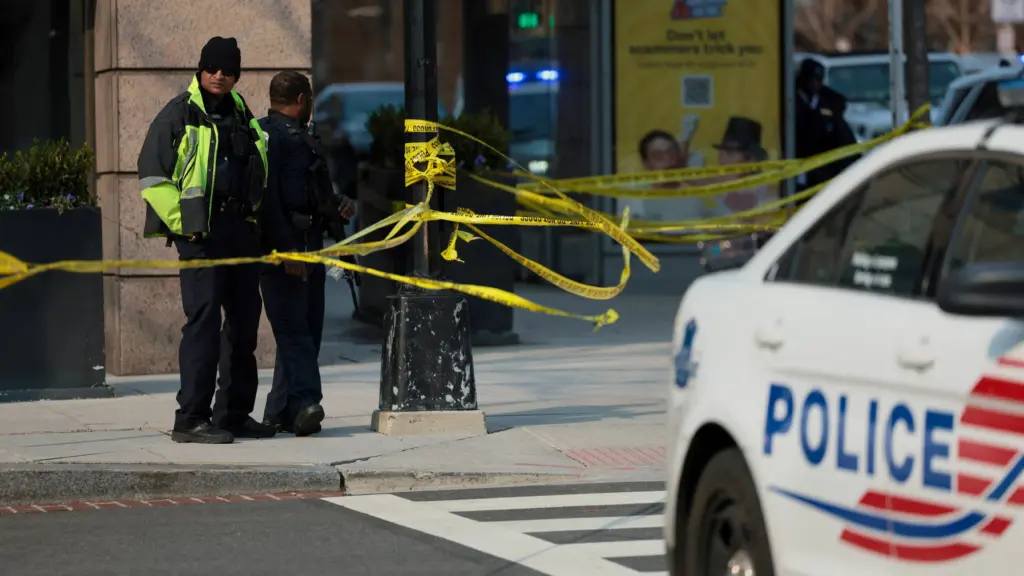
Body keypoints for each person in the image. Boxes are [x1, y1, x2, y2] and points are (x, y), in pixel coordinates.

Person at [138, 37, 277, 444]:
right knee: (203, 324)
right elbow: (151, 177)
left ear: (236, 75)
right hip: (200, 235)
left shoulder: (240, 112)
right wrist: (188, 223)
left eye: (228, 70)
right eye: (213, 68)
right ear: (201, 70)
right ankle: (191, 418)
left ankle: (233, 413)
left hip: (240, 232)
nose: (220, 75)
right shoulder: (178, 114)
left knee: (244, 325)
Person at [257, 71, 356, 436]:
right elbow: (269, 201)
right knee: (295, 332)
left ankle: (279, 411)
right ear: (302, 99)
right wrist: (287, 249)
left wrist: (337, 204)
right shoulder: (271, 139)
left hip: (309, 246)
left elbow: (311, 194)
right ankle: (304, 403)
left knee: (305, 332)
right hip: (286, 252)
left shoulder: (299, 138)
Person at [794, 59, 858, 194]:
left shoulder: (829, 101)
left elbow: (843, 138)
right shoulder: (793, 100)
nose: (815, 84)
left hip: (825, 164)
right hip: (798, 162)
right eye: (811, 80)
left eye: (818, 80)